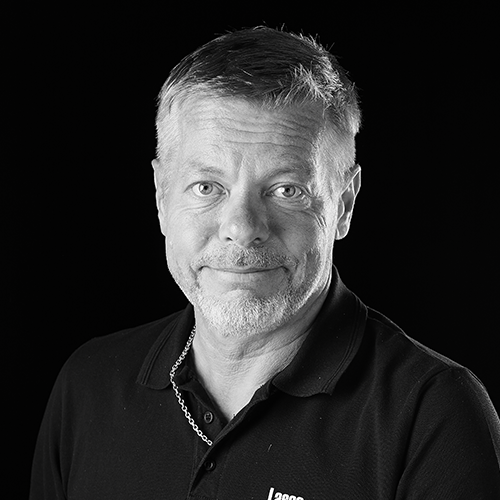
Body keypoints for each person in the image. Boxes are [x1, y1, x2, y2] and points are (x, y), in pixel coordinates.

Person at [30, 26, 500, 499]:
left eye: (285, 190)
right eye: (207, 187)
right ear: (160, 197)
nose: (242, 227)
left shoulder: (433, 414)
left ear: (344, 204)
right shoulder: (88, 385)